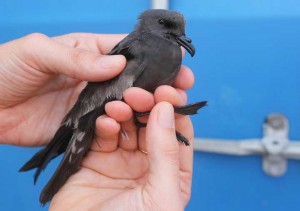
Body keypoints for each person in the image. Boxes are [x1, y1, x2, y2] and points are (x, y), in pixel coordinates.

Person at [0, 33, 195, 210]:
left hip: (122, 113)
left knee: (147, 106)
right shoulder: (139, 46)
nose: (180, 35)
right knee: (138, 109)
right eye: (165, 25)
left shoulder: (169, 50)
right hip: (99, 111)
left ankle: (153, 121)